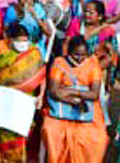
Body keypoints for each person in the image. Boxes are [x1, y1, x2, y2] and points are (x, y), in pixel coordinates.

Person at [0, 21, 46, 161]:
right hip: (0, 94)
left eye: (25, 41)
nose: (22, 44)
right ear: (11, 39)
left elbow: (41, 75)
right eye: (19, 41)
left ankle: (13, 157)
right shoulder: (1, 46)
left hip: (22, 97)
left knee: (14, 127)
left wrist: (41, 95)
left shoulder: (34, 52)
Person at [42, 34, 108, 163]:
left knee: (99, 137)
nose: (79, 59)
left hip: (87, 105)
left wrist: (70, 91)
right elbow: (54, 91)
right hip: (61, 104)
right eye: (76, 55)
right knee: (51, 130)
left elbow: (94, 94)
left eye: (83, 55)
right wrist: (73, 100)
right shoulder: (59, 63)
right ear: (69, 52)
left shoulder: (93, 65)